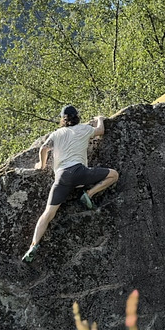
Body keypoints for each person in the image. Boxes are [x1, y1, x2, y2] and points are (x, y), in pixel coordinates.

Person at [22, 105, 118, 263]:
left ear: (63, 120)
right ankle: (89, 194)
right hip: (80, 174)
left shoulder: (56, 133)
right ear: (77, 117)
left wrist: (41, 164)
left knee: (47, 214)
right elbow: (100, 131)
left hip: (62, 178)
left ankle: (33, 245)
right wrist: (100, 119)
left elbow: (44, 148)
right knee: (113, 175)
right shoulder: (84, 129)